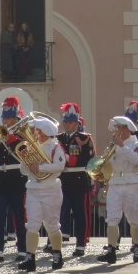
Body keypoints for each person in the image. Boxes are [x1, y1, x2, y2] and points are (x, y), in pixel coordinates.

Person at [18, 116, 67, 272]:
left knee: (52, 225)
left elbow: (60, 166)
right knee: (32, 224)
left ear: (44, 131)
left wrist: (40, 168)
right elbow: (23, 170)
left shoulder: (55, 147)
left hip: (50, 189)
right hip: (33, 189)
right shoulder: (32, 147)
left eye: (36, 130)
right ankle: (30, 258)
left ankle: (57, 254)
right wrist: (25, 158)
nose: (34, 133)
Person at [0, 95, 29, 263]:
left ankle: (23, 249)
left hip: (17, 178)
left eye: (10, 118)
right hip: (0, 179)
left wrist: (9, 137)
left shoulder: (22, 134)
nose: (7, 121)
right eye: (4, 118)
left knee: (19, 215)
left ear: (16, 118)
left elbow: (23, 151)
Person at [97, 116, 138, 265]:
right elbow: (107, 165)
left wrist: (122, 147)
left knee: (134, 218)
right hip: (115, 182)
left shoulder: (136, 145)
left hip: (131, 182)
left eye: (122, 128)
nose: (119, 131)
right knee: (112, 217)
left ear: (128, 129)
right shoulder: (114, 146)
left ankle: (137, 247)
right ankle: (111, 250)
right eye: (118, 128)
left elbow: (137, 161)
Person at [56, 103, 95, 257]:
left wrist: (67, 158)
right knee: (58, 213)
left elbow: (87, 159)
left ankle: (81, 244)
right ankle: (55, 241)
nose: (67, 125)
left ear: (77, 123)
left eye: (70, 122)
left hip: (79, 180)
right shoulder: (58, 138)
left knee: (80, 214)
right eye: (65, 122)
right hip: (62, 179)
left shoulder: (84, 139)